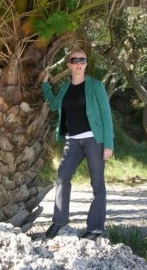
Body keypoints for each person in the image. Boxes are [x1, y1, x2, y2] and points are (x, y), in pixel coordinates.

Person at [41, 48, 114, 240]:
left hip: (94, 140)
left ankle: (95, 229)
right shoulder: (65, 88)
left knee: (97, 184)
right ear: (69, 65)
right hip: (72, 141)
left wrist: (108, 144)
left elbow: (106, 115)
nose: (79, 63)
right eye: (75, 60)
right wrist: (45, 85)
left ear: (86, 64)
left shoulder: (96, 86)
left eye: (83, 60)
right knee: (62, 177)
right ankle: (59, 221)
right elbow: (55, 104)